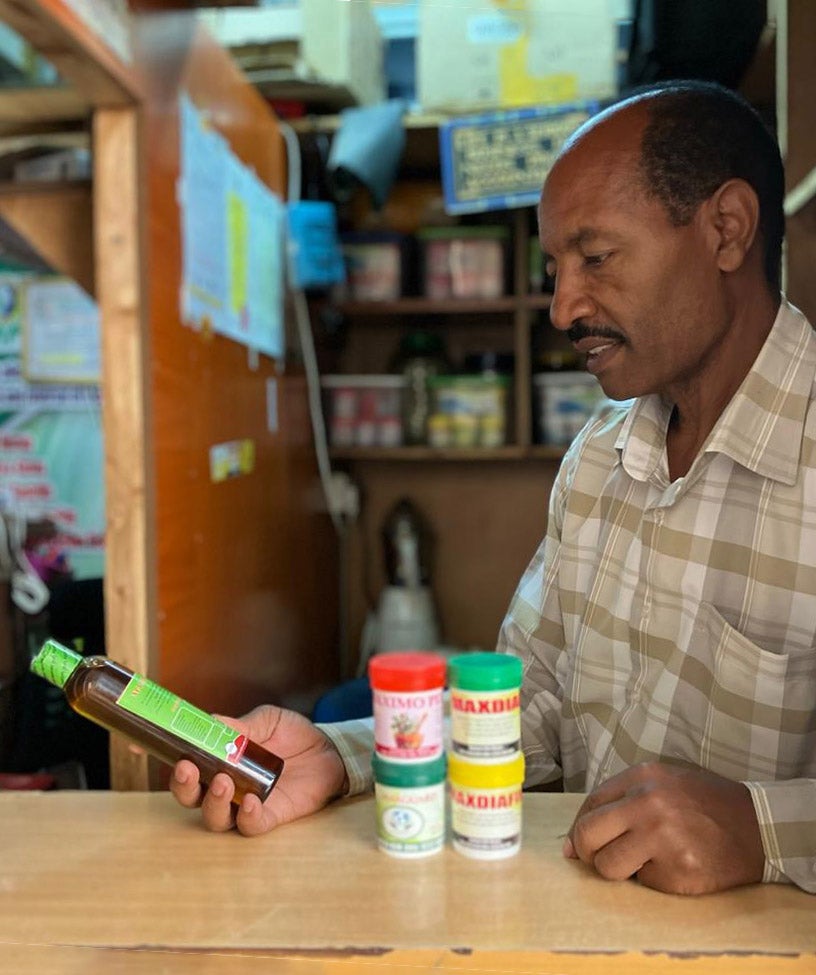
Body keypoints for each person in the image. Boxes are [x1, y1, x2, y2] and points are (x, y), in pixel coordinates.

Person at [170, 80, 816, 896]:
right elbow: (530, 705)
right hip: (579, 931)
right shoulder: (598, 461)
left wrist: (760, 831)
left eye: (597, 257)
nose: (562, 305)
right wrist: (346, 755)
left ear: (726, 230)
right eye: (553, 268)